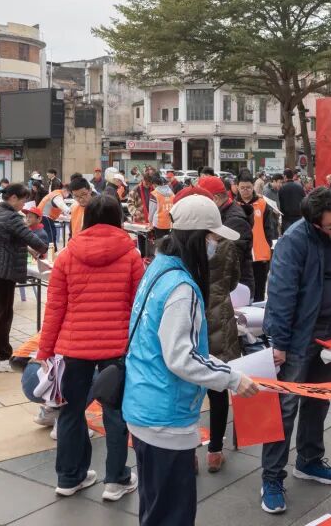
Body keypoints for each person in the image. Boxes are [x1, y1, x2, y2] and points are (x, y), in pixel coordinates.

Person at [121, 195, 258, 526]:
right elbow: (181, 357)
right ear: (198, 239)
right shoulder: (181, 288)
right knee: (173, 514)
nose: (215, 246)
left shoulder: (158, 270)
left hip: (143, 403)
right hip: (165, 415)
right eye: (213, 238)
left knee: (155, 508)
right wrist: (232, 378)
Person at [260, 187, 331, 514]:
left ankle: (309, 460)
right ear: (315, 224)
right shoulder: (294, 241)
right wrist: (280, 343)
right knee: (285, 406)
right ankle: (272, 477)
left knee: (319, 398)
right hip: (298, 335)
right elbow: (281, 294)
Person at [37, 195, 143, 501]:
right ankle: (116, 480)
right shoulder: (131, 255)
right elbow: (138, 307)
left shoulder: (67, 255)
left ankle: (69, 478)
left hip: (74, 346)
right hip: (116, 346)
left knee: (70, 412)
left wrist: (45, 350)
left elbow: (55, 307)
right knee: (115, 413)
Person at [0, 183, 49, 372]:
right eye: (23, 201)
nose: (24, 205)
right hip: (3, 272)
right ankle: (4, 358)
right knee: (3, 315)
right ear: (13, 198)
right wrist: (45, 249)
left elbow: (9, 238)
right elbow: (31, 238)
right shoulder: (12, 217)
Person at [204, 214, 243, 473]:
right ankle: (215, 451)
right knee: (218, 386)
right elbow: (234, 281)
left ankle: (188, 452)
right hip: (220, 314)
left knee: (187, 389)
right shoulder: (228, 244)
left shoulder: (183, 244)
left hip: (192, 313)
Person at [199, 175, 254, 289]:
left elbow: (228, 262)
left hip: (235, 289)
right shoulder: (219, 214)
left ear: (215, 198)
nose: (199, 206)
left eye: (201, 201)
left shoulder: (235, 222)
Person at [236, 171, 278, 303]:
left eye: (248, 187)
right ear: (237, 187)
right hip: (241, 255)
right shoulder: (234, 205)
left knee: (259, 292)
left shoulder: (262, 203)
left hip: (260, 255)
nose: (245, 190)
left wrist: (268, 247)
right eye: (242, 188)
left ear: (253, 186)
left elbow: (269, 229)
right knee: (243, 293)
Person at [277, 168, 305, 233]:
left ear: (285, 176)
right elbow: (304, 200)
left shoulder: (282, 188)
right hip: (298, 216)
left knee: (288, 235)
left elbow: (279, 201)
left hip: (286, 217)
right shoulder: (299, 187)